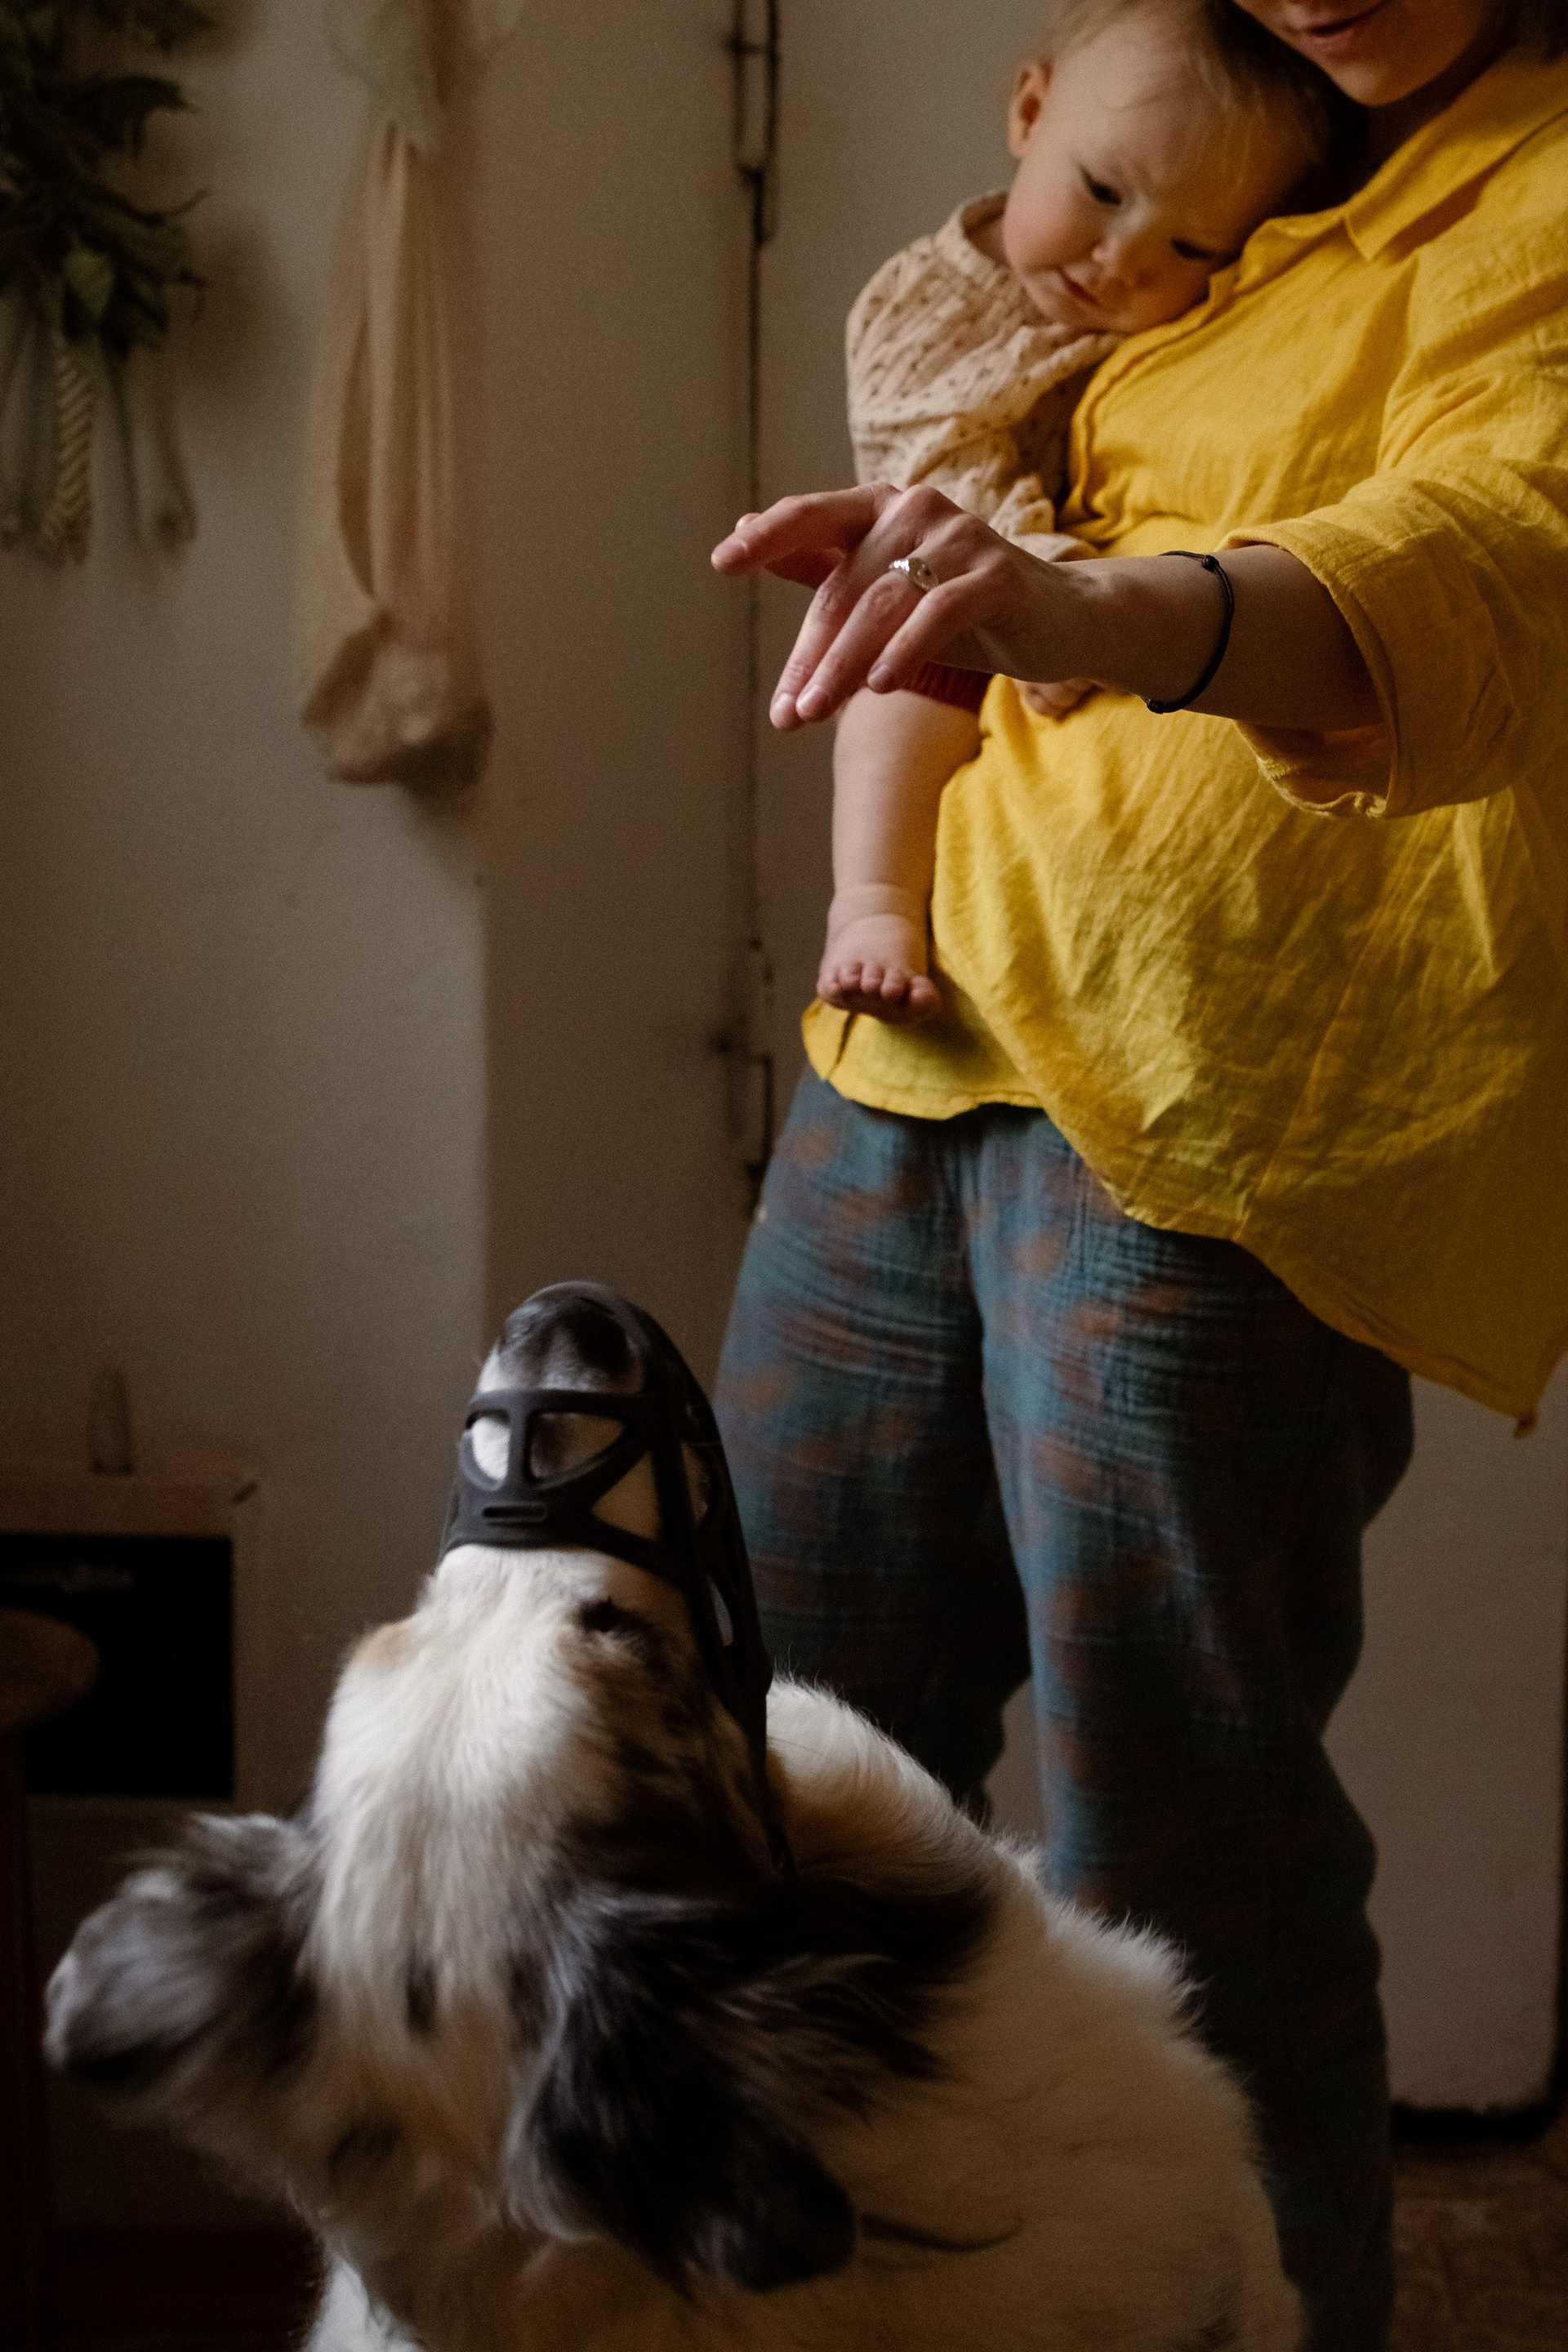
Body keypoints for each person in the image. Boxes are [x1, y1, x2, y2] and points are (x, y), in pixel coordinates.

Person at [710, 4, 1568, 2348]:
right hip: (920, 1030)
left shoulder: (1526, 191)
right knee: (769, 1766)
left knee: (1176, 1870)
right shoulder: (1207, 101)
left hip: (1226, 1109)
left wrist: (1113, 610)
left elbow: (1494, 555)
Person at [824, 0, 1339, 1025]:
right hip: (948, 576)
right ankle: (870, 906)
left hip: (1086, 606)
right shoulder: (926, 305)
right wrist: (1047, 588)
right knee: (898, 688)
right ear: (1029, 112)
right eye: (1102, 191)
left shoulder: (1179, 308)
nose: (1123, 259)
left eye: (1189, 244)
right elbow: (939, 474)